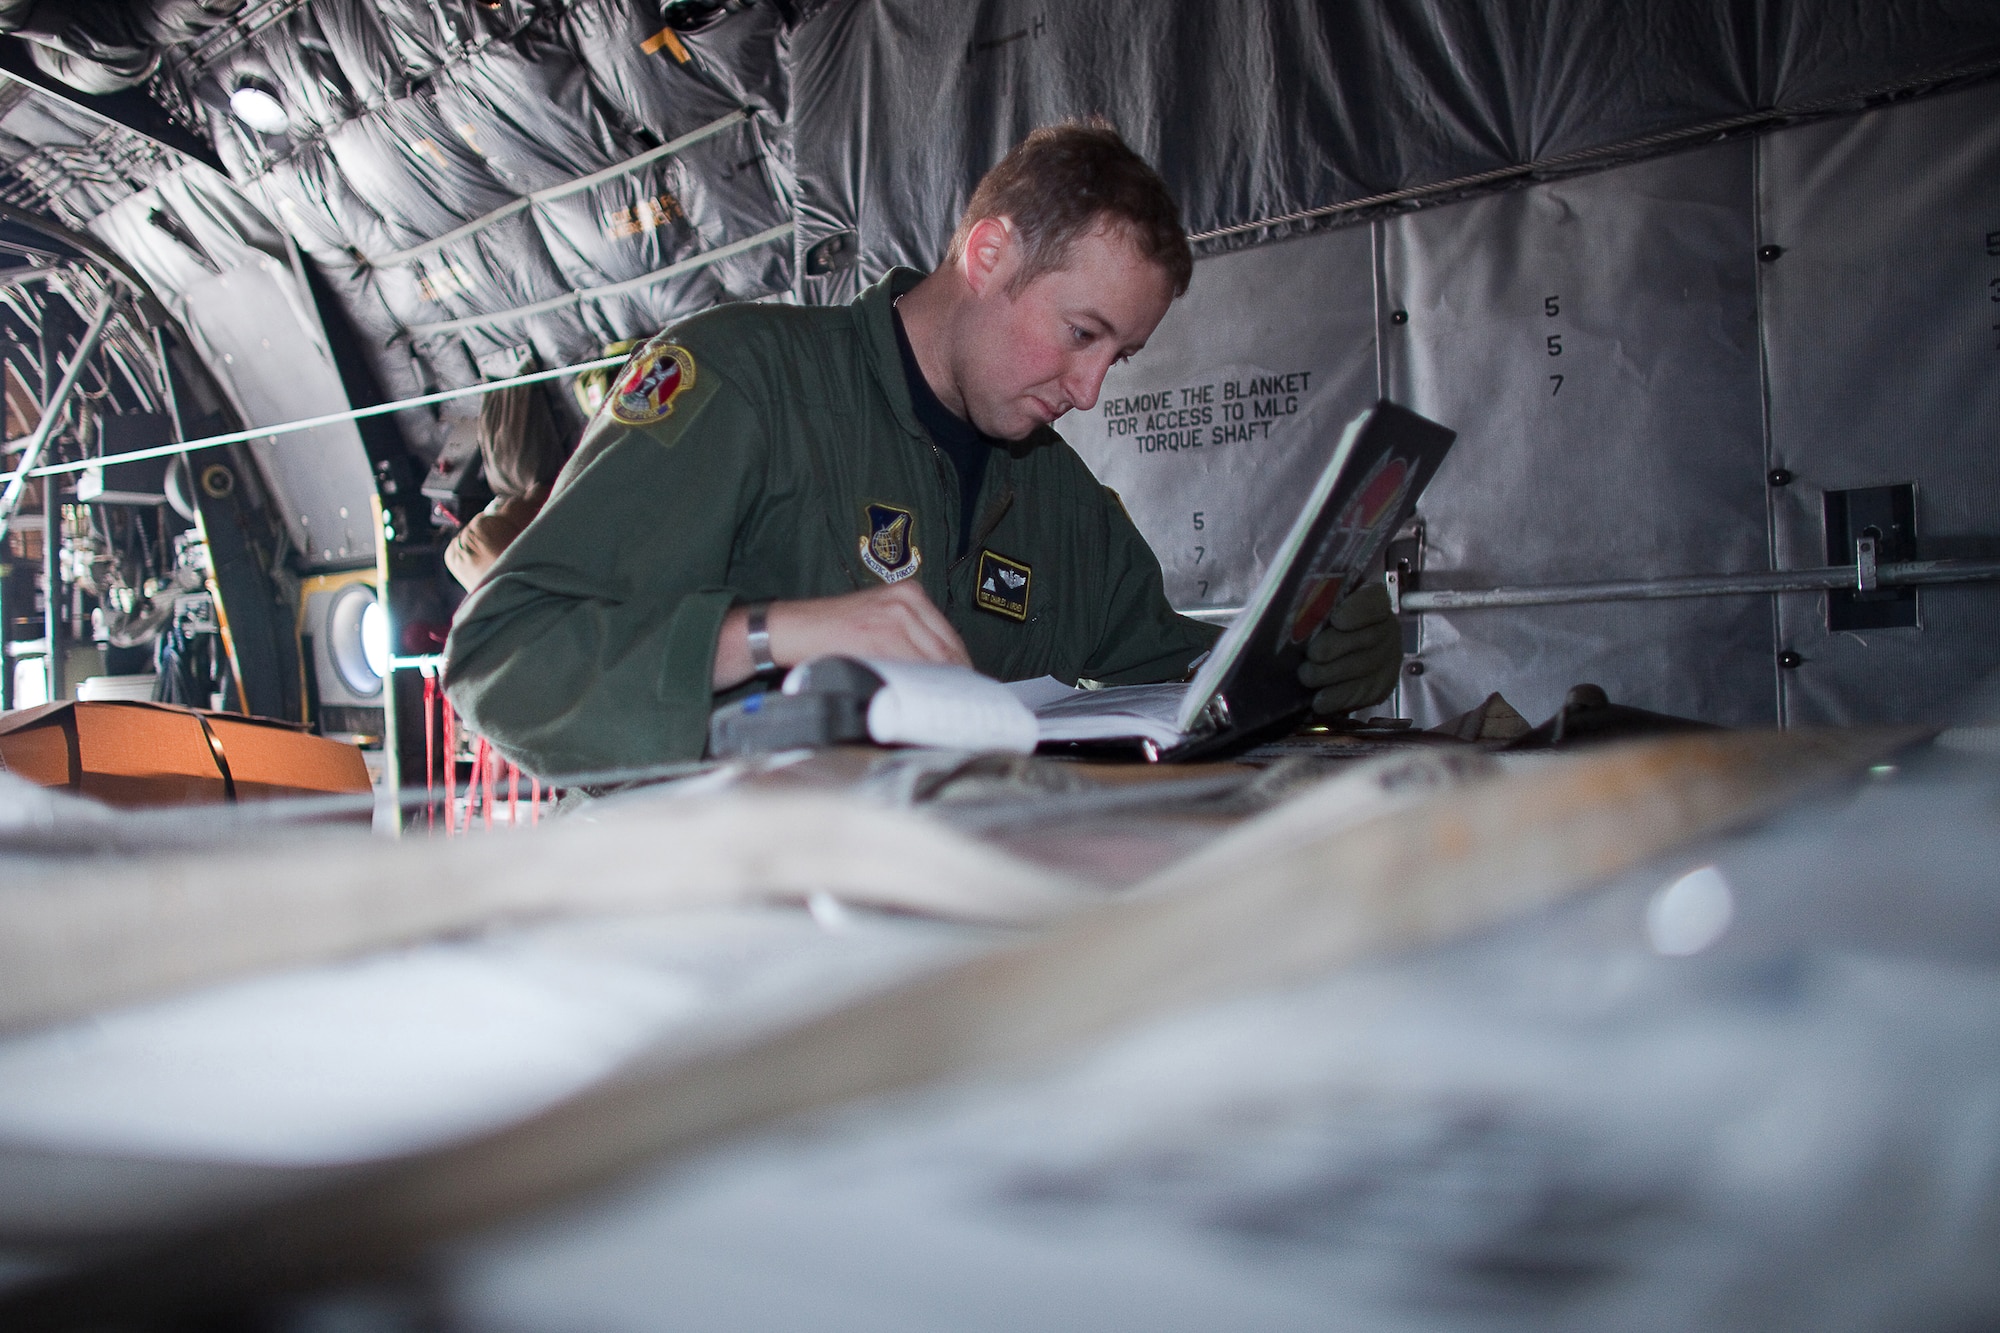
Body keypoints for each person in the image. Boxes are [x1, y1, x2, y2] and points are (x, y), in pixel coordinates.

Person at [444, 120, 1400, 779]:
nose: (1091, 391)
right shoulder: (747, 386)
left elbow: (1183, 678)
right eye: (1081, 334)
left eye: (1123, 355)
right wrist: (775, 634)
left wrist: (1316, 658)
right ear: (987, 256)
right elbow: (501, 661)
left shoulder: (1057, 500)